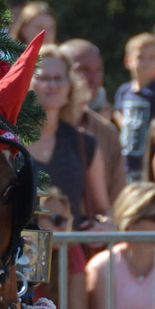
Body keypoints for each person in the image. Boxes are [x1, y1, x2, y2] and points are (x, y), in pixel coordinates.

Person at [26, 44, 109, 225]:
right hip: (20, 250)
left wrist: (103, 227)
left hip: (70, 249)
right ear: (26, 82)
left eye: (59, 78)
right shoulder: (8, 138)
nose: (52, 85)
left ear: (70, 86)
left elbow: (103, 210)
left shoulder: (83, 142)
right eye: (44, 78)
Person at [59, 39, 125, 202]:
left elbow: (118, 200)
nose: (93, 78)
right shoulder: (33, 129)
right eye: (83, 70)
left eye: (98, 71)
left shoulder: (107, 133)